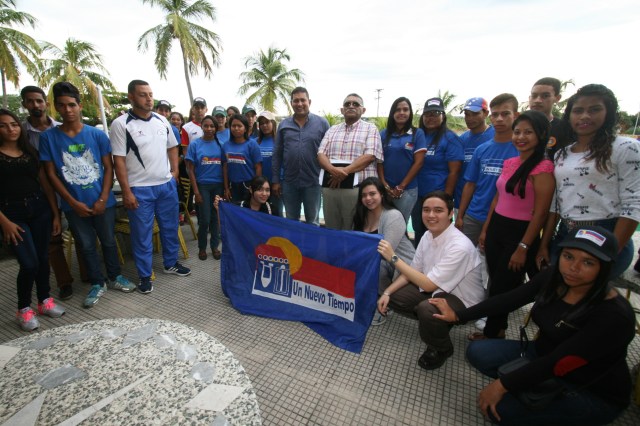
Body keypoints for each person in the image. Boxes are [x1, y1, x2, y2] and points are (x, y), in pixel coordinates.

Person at [431, 226, 635, 426]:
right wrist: (458, 315)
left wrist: (503, 385)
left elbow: (559, 361)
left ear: (605, 268)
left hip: (587, 387)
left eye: (588, 262)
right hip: (542, 353)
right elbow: (509, 300)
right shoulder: (554, 277)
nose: (573, 267)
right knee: (478, 353)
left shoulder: (614, 316)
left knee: (499, 411)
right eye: (568, 256)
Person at [40, 82, 136, 308]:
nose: (68, 110)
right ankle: (97, 282)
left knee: (109, 242)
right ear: (56, 107)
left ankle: (114, 277)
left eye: (72, 105)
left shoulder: (97, 134)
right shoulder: (49, 138)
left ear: (79, 106)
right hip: (73, 205)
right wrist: (72, 202)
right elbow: (51, 174)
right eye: (62, 106)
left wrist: (103, 199)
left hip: (103, 201)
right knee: (86, 245)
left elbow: (108, 167)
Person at [537, 84, 640, 279]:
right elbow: (555, 204)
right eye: (578, 111)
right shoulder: (562, 154)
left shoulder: (625, 148)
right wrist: (544, 244)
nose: (585, 116)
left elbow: (633, 204)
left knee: (584, 303)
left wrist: (609, 253)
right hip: (567, 234)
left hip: (607, 234)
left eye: (594, 110)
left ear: (608, 112)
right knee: (556, 294)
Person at [469, 111, 555, 340]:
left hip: (520, 233)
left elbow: (541, 213)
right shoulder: (510, 162)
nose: (521, 137)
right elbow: (497, 199)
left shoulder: (543, 168)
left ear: (541, 135)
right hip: (497, 226)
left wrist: (524, 247)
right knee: (496, 281)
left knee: (501, 288)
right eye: (517, 132)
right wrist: (486, 229)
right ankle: (498, 328)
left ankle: (492, 334)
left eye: (528, 132)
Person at [377, 191, 484, 370]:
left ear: (451, 214)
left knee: (427, 310)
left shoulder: (460, 246)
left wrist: (393, 258)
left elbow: (427, 284)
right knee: (392, 296)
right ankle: (437, 324)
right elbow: (413, 271)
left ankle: (441, 347)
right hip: (436, 290)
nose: (431, 215)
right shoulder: (428, 235)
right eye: (426, 210)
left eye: (438, 210)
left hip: (463, 300)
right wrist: (387, 292)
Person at [110, 79, 191, 295]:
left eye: (150, 94)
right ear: (131, 97)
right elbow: (118, 160)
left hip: (166, 186)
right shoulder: (121, 124)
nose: (148, 98)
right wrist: (126, 191)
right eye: (143, 94)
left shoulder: (162, 121)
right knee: (142, 235)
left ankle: (170, 263)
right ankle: (145, 276)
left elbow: (173, 146)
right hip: (140, 189)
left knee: (170, 227)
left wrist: (174, 172)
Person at [0, 108, 65, 331]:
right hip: (11, 214)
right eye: (4, 125)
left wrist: (55, 213)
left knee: (43, 257)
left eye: (14, 124)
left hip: (39, 208)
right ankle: (23, 308)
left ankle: (44, 300)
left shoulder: (29, 152)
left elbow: (45, 183)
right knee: (29, 263)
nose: (10, 129)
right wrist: (4, 222)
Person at [20, 85, 87, 299]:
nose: (35, 105)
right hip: (41, 194)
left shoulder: (64, 128)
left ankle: (88, 275)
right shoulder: (20, 133)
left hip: (71, 189)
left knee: (82, 234)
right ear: (24, 105)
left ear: (47, 104)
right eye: (30, 101)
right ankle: (64, 282)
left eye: (39, 101)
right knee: (53, 241)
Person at [456, 94, 520, 246]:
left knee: (491, 261)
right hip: (474, 213)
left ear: (516, 115)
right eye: (496, 115)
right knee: (461, 255)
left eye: (505, 114)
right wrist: (460, 215)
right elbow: (470, 183)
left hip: (503, 216)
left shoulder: (521, 150)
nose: (499, 119)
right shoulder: (481, 149)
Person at [352, 177, 415, 325]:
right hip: (380, 262)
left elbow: (384, 252)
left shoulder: (392, 216)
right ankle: (372, 297)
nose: (368, 198)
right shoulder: (361, 215)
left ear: (381, 194)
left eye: (372, 194)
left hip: (402, 265)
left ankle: (385, 304)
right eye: (364, 195)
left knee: (375, 267)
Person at [318, 93, 383, 230]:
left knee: (354, 229)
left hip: (357, 190)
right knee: (332, 229)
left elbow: (370, 156)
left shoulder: (371, 129)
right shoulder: (332, 130)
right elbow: (320, 154)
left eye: (355, 104)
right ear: (342, 110)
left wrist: (344, 172)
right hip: (331, 188)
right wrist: (333, 171)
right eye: (347, 104)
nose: (351, 106)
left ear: (363, 110)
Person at [272, 87, 329, 225]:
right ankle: (293, 247)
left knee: (313, 221)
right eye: (296, 101)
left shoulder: (322, 124)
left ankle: (310, 247)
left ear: (309, 101)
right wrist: (276, 181)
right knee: (291, 221)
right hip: (289, 182)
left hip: (313, 182)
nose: (299, 104)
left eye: (302, 100)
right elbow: (277, 154)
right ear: (291, 103)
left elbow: (329, 153)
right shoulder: (284, 125)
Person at [411, 97, 463, 245]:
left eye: (435, 113)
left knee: (437, 234)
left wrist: (445, 199)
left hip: (438, 195)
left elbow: (454, 172)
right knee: (419, 231)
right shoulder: (418, 135)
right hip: (417, 194)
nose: (431, 117)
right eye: (428, 114)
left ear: (443, 116)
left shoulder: (450, 138)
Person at [376, 97, 427, 223]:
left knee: (400, 224)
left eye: (405, 109)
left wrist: (401, 187)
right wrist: (385, 185)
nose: (401, 113)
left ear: (410, 113)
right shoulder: (384, 134)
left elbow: (419, 162)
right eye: (398, 110)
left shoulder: (417, 133)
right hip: (385, 189)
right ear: (393, 113)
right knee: (382, 222)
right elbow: (379, 161)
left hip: (408, 190)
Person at [185, 115, 224, 261]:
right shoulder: (195, 145)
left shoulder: (220, 144)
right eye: (206, 126)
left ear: (215, 127)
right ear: (201, 127)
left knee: (216, 219)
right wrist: (196, 191)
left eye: (212, 126)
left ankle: (214, 247)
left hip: (218, 186)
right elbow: (190, 169)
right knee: (205, 220)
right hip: (203, 186)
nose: (209, 129)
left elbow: (225, 166)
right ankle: (202, 248)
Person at [454, 97, 495, 211]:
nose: (470, 118)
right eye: (467, 114)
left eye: (475, 114)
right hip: (461, 199)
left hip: (486, 202)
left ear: (486, 113)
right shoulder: (461, 139)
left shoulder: (496, 137)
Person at [528, 77, 573, 159]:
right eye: (534, 96)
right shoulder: (517, 127)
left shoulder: (566, 128)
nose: (538, 100)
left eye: (545, 96)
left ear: (557, 98)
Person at [222, 114, 262, 202]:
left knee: (248, 212)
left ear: (245, 128)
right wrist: (226, 188)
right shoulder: (226, 145)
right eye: (233, 126)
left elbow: (258, 167)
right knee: (235, 212)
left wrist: (255, 187)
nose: (236, 128)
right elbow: (225, 168)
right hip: (233, 185)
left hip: (248, 185)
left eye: (239, 126)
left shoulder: (252, 144)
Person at [214, 175, 280, 216]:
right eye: (260, 190)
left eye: (267, 190)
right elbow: (227, 229)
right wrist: (219, 209)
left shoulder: (272, 211)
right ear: (251, 190)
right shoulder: (239, 208)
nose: (264, 193)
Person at [257, 111, 283, 213]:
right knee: (262, 212)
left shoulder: (280, 141)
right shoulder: (256, 142)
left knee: (277, 212)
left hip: (275, 184)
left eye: (267, 122)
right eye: (262, 123)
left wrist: (278, 182)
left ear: (273, 123)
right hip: (261, 186)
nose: (264, 125)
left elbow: (283, 163)